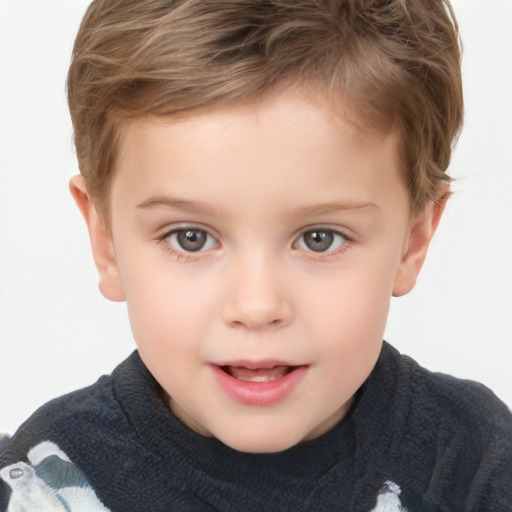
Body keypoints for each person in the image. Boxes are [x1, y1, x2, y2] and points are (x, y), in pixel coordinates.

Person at [0, 0, 510, 510]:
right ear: (105, 239)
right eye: (190, 237)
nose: (256, 305)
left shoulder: (475, 464)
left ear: (413, 239)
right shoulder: (43, 482)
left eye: (319, 238)